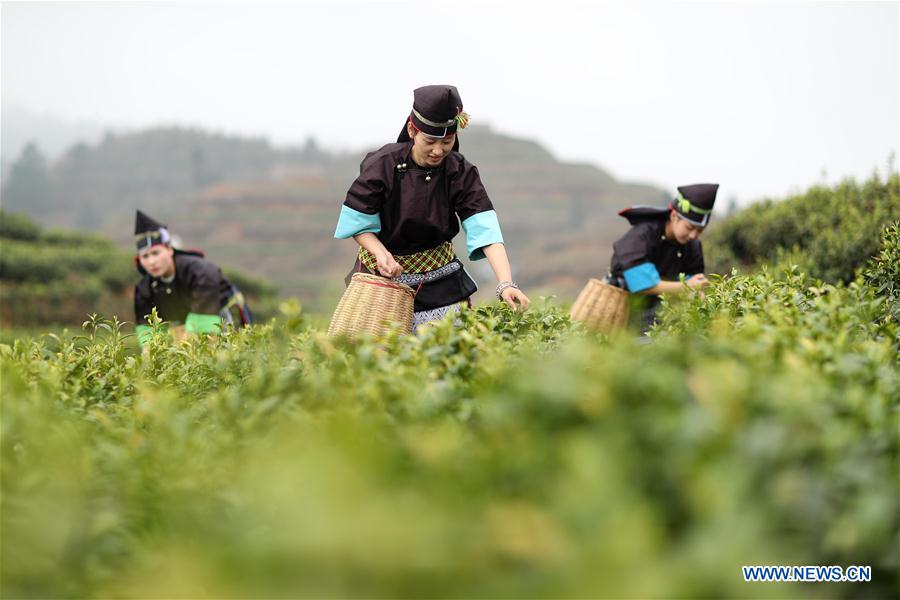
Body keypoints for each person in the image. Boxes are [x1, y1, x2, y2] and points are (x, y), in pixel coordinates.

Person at [333, 84, 530, 331]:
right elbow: (358, 222)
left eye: (448, 141)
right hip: (382, 283)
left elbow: (484, 228)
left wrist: (505, 283)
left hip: (440, 285)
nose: (438, 151)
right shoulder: (383, 164)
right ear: (412, 131)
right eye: (430, 141)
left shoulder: (460, 171)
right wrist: (381, 254)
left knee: (442, 358)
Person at [605, 183, 718, 331]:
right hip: (622, 308)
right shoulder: (642, 235)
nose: (693, 235)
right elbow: (643, 285)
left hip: (658, 312)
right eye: (689, 227)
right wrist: (686, 287)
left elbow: (695, 282)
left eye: (700, 231)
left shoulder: (693, 246)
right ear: (673, 216)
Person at [133, 209, 251, 346]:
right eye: (145, 256)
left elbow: (203, 326)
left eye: (156, 253)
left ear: (170, 250)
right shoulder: (144, 288)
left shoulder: (200, 272)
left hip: (223, 314)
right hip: (187, 322)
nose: (152, 261)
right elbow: (148, 334)